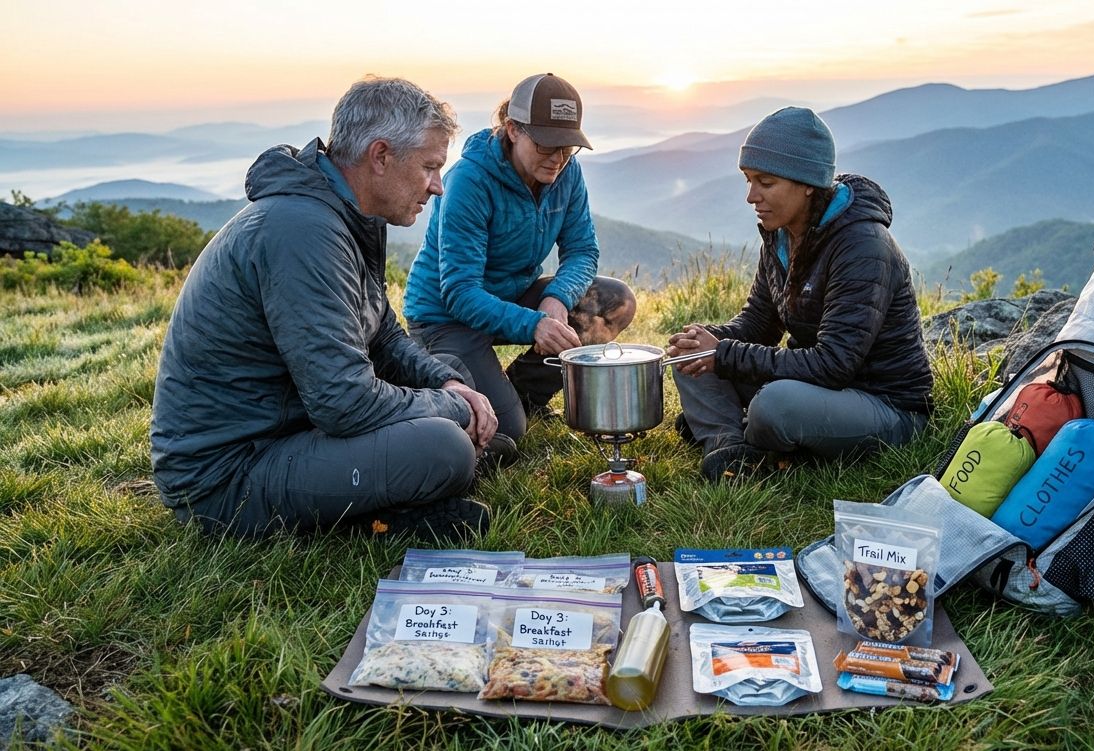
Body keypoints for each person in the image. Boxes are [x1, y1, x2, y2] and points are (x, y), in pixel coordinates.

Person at [150, 76, 497, 538]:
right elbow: (344, 403)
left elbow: (385, 336)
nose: (436, 187)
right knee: (444, 448)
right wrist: (453, 408)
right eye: (430, 167)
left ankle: (417, 476)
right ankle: (377, 519)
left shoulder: (347, 213)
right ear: (381, 156)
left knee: (448, 367)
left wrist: (446, 384)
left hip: (290, 426)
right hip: (228, 477)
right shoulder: (302, 232)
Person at [667, 106, 933, 482]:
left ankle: (734, 425)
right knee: (691, 356)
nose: (751, 196)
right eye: (748, 180)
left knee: (775, 407)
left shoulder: (863, 246)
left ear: (807, 182)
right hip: (820, 389)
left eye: (765, 182)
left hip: (884, 405)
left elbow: (834, 363)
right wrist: (706, 342)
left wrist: (723, 354)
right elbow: (759, 324)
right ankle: (730, 448)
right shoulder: (781, 234)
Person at [403, 73, 636, 444]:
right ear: (513, 130)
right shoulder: (470, 181)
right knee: (505, 433)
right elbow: (460, 292)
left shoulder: (566, 173)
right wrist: (534, 325)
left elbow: (582, 250)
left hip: (512, 296)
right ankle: (433, 377)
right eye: (547, 144)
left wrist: (556, 299)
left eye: (567, 146)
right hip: (445, 318)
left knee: (613, 301)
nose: (558, 158)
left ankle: (522, 392)